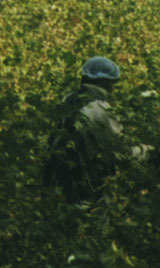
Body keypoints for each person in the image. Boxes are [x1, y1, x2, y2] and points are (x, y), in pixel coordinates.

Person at [42, 56, 141, 204]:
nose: (113, 89)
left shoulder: (68, 100)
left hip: (54, 181)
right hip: (83, 187)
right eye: (112, 83)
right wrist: (145, 152)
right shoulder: (98, 108)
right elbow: (119, 151)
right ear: (103, 82)